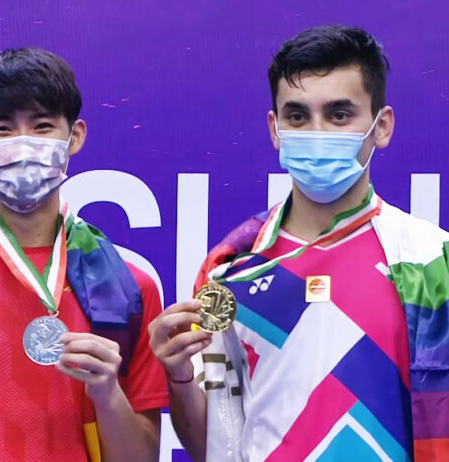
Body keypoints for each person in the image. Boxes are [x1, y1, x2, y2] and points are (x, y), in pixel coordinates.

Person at [149, 25, 449, 462]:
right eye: (297, 116)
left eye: (339, 115)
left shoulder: (432, 261)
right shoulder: (231, 269)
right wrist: (178, 376)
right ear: (275, 129)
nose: (317, 131)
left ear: (381, 126)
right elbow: (214, 447)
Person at [0, 48, 168, 462]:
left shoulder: (128, 282)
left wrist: (105, 394)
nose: (22, 145)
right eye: (1, 129)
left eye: (42, 126)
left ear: (76, 136)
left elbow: (141, 458)